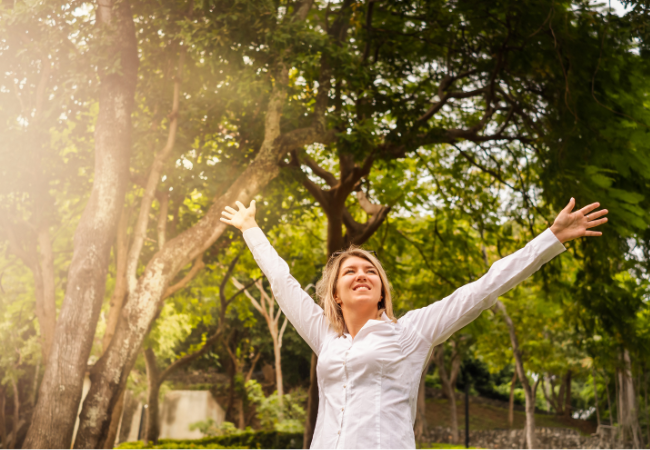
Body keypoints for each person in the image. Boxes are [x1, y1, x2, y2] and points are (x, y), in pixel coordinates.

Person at [220, 198, 608, 449]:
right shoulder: (326, 336)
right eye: (350, 271)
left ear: (382, 290)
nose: (361, 274)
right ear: (335, 294)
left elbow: (482, 289)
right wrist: (251, 228)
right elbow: (282, 283)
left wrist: (549, 238)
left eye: (370, 271)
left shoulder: (409, 333)